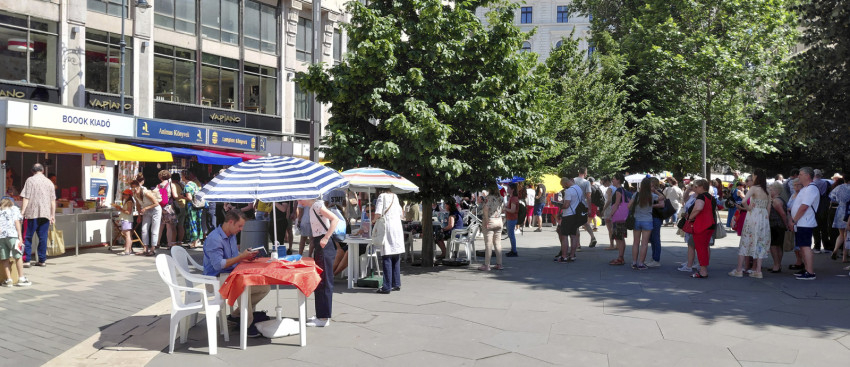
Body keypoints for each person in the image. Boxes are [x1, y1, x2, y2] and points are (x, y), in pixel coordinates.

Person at [202, 209, 268, 337]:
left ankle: (235, 316)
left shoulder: (231, 235)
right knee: (243, 286)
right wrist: (241, 257)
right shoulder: (214, 239)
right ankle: (247, 325)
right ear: (231, 222)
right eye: (240, 226)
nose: (241, 229)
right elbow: (218, 264)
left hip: (228, 275)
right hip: (214, 280)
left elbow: (233, 256)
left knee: (264, 287)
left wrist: (245, 256)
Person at [301, 196, 340, 327]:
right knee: (320, 279)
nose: (298, 201)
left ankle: (323, 317)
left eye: (299, 198)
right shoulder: (314, 206)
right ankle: (321, 315)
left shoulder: (317, 205)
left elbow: (335, 219)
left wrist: (326, 237)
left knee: (324, 280)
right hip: (321, 243)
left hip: (324, 243)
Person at [729, 171, 771, 279]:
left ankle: (739, 270)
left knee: (746, 240)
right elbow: (769, 207)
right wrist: (765, 217)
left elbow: (743, 201)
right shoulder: (767, 190)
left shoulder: (754, 188)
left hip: (753, 215)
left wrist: (748, 209)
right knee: (760, 241)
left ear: (757, 177)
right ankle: (758, 270)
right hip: (764, 217)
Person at [20, 163, 55, 267]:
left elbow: (26, 197)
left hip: (31, 213)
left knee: (27, 237)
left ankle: (26, 260)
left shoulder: (30, 180)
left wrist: (22, 212)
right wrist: (52, 215)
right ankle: (42, 260)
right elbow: (53, 200)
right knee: (43, 237)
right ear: (43, 171)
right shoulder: (49, 182)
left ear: (32, 171)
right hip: (45, 214)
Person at [788, 167, 819, 280]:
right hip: (801, 222)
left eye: (800, 174)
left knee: (805, 247)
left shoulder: (811, 188)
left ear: (807, 175)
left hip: (805, 222)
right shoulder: (806, 188)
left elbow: (804, 207)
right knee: (802, 246)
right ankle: (806, 269)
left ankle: (810, 272)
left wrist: (794, 220)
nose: (798, 176)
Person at [630, 177, 663, 269]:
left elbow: (629, 206)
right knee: (644, 243)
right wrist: (655, 191)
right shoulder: (652, 195)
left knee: (635, 242)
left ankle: (634, 262)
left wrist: (636, 208)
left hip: (637, 220)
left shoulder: (636, 194)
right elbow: (662, 198)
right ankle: (641, 263)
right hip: (648, 220)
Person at [374, 189, 403, 294]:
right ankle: (396, 283)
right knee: (395, 255)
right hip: (397, 227)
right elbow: (401, 213)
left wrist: (373, 221)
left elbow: (377, 213)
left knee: (386, 256)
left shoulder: (382, 196)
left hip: (387, 227)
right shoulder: (395, 196)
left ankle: (386, 286)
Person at [686, 179, 716, 278]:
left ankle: (703, 271)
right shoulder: (711, 197)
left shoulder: (701, 196)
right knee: (704, 247)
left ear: (700, 187)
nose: (694, 189)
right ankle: (704, 269)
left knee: (701, 248)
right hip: (710, 224)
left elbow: (699, 207)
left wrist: (690, 217)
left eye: (695, 187)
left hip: (702, 225)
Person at [0, 196, 31, 287]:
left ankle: (8, 279)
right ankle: (21, 278)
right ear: (11, 202)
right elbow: (17, 222)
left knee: (4, 258)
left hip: (1, 237)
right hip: (12, 236)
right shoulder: (14, 209)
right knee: (18, 256)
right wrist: (20, 236)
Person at [130, 175, 161, 256]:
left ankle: (153, 249)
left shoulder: (146, 192)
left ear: (138, 186)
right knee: (144, 229)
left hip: (155, 210)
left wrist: (146, 208)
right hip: (146, 211)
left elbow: (156, 203)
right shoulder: (135, 194)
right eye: (132, 188)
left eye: (135, 188)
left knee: (154, 230)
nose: (134, 190)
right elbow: (138, 204)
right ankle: (145, 248)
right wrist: (139, 215)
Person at [555, 177, 582, 263]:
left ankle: (564, 256)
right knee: (573, 236)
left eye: (563, 186)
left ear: (566, 184)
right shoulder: (579, 189)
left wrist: (559, 206)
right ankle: (572, 255)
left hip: (568, 215)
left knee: (564, 236)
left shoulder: (568, 191)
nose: (564, 188)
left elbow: (566, 205)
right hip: (576, 215)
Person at [480, 184, 504, 271]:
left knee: (488, 244)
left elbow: (485, 209)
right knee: (498, 243)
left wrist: (486, 220)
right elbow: (503, 209)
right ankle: (499, 264)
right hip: (499, 220)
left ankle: (487, 265)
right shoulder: (501, 198)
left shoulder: (488, 198)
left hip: (490, 220)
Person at [607, 173, 629, 265]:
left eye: (614, 179)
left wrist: (610, 215)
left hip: (618, 217)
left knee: (619, 238)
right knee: (621, 238)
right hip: (623, 217)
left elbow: (616, 204)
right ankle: (620, 257)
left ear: (618, 180)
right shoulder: (623, 190)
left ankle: (620, 258)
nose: (612, 180)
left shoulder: (618, 191)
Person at [767, 182, 789, 273]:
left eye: (771, 189)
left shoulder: (776, 201)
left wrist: (786, 224)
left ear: (776, 190)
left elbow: (783, 214)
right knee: (778, 246)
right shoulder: (779, 199)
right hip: (778, 226)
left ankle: (776, 265)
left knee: (774, 246)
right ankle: (777, 264)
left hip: (776, 225)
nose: (769, 191)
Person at [574, 168, 598, 247]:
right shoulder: (587, 182)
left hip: (574, 205)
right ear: (585, 173)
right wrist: (590, 208)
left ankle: (578, 244)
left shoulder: (573, 180)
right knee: (585, 222)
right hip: (583, 205)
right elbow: (588, 196)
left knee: (576, 225)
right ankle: (593, 237)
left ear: (578, 172)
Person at [156, 170, 179, 249]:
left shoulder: (158, 186)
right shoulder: (171, 185)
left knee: (160, 226)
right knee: (169, 227)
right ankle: (169, 244)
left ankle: (157, 243)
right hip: (169, 207)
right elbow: (175, 196)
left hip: (159, 207)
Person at [646, 177, 666, 267]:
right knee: (653, 239)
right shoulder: (651, 192)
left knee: (655, 238)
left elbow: (662, 203)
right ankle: (654, 257)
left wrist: (651, 205)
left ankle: (656, 259)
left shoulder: (658, 192)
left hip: (656, 217)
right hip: (652, 217)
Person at [829, 177, 850, 262]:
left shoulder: (839, 187)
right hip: (848, 211)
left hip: (840, 210)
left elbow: (831, 197)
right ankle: (844, 257)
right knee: (847, 235)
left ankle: (835, 250)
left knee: (841, 234)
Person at [181, 170, 203, 249]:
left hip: (191, 207)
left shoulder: (187, 186)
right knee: (198, 223)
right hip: (198, 206)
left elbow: (189, 198)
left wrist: (183, 197)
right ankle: (197, 240)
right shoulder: (194, 184)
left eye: (182, 175)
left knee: (192, 223)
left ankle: (194, 242)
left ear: (184, 176)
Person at [112, 189, 137, 256]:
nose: (124, 195)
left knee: (127, 236)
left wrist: (120, 208)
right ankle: (129, 249)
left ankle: (127, 250)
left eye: (126, 194)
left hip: (127, 220)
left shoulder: (129, 202)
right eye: (123, 194)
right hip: (127, 220)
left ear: (129, 195)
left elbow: (128, 212)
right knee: (128, 235)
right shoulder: (128, 201)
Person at [503, 184, 519, 257]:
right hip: (511, 218)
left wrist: (505, 209)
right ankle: (513, 250)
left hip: (512, 218)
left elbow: (512, 210)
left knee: (511, 235)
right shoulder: (512, 197)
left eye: (508, 188)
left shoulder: (513, 198)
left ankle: (514, 251)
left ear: (512, 189)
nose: (507, 189)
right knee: (510, 234)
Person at [171, 173, 186, 245]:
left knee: (173, 225)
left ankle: (173, 242)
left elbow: (175, 196)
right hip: (183, 205)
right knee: (181, 225)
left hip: (177, 206)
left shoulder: (173, 185)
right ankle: (180, 241)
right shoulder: (182, 185)